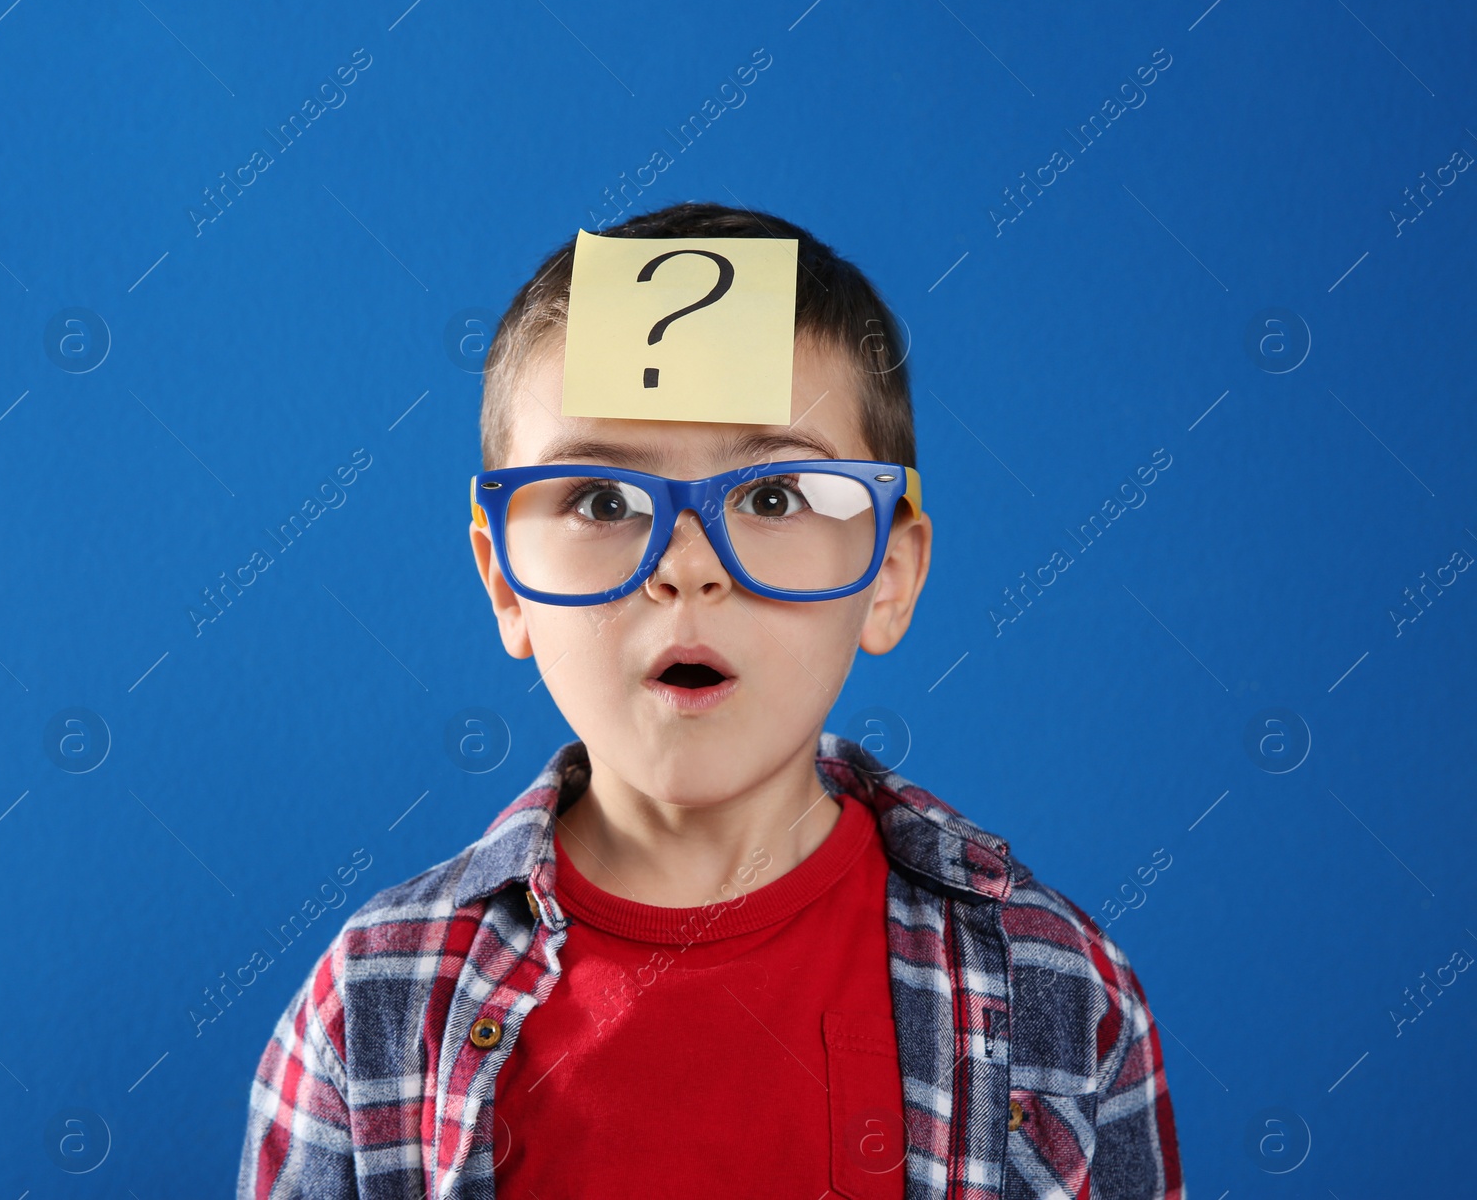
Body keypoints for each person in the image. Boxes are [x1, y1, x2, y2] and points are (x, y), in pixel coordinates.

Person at [236, 202, 1183, 1199]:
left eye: (773, 496)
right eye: (602, 500)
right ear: (504, 579)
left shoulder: (1059, 993)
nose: (687, 565)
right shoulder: (372, 1005)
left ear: (889, 572)